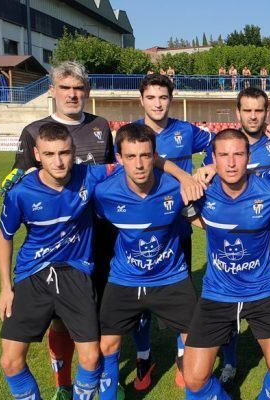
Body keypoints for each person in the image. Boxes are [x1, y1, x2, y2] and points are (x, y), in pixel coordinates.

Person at [0, 123, 107, 400]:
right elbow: (4, 235)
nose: (58, 161)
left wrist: (194, 174)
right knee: (10, 361)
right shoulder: (20, 192)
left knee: (91, 358)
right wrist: (5, 287)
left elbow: (135, 163)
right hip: (32, 274)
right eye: (49, 154)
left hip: (75, 272)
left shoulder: (89, 175)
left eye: (64, 153)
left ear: (74, 152)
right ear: (36, 154)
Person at [182, 129, 270, 400]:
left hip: (263, 292)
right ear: (213, 159)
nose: (231, 162)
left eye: (238, 154)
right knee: (194, 380)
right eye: (223, 155)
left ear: (248, 158)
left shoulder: (269, 192)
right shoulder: (203, 191)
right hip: (217, 293)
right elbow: (186, 210)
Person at [95, 124, 198, 400]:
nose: (139, 164)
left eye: (145, 155)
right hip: (124, 279)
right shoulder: (104, 193)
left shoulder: (176, 187)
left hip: (171, 278)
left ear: (155, 156)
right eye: (131, 156)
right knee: (107, 346)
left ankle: (195, 389)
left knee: (196, 343)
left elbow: (200, 220)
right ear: (119, 158)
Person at [132, 73, 211, 390]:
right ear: (141, 100)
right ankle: (143, 357)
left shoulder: (186, 130)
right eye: (151, 97)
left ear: (171, 99)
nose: (157, 103)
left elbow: (219, 145)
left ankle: (182, 355)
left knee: (182, 295)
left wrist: (205, 170)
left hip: (179, 228)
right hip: (142, 231)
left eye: (162, 97)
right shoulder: (131, 135)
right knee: (140, 301)